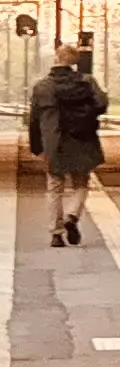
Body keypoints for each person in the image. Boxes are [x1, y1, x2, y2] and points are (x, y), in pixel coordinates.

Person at [31, 48, 107, 247]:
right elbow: (102, 105)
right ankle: (71, 216)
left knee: (54, 187)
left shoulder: (42, 86)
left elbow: (34, 119)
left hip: (54, 141)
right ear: (74, 61)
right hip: (82, 139)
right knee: (81, 183)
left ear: (56, 58)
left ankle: (56, 234)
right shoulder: (87, 82)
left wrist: (36, 145)